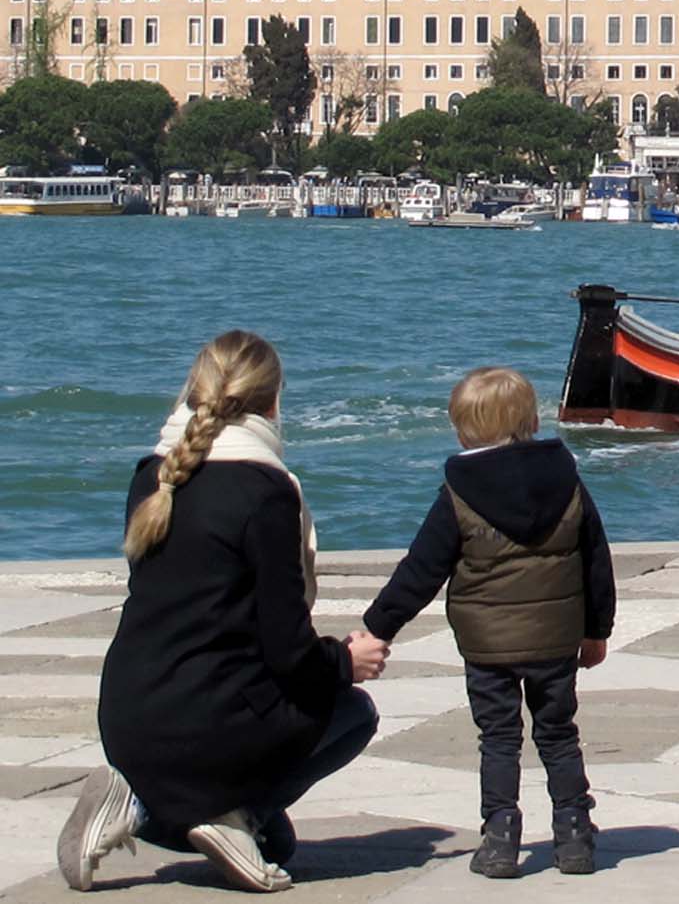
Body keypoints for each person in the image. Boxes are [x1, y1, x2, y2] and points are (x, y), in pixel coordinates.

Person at [58, 331, 387, 895]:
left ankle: (135, 799)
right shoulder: (266, 493)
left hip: (125, 715)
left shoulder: (152, 475)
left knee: (279, 845)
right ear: (274, 402)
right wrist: (344, 659)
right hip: (208, 727)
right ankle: (215, 813)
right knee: (354, 712)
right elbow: (286, 649)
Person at [362, 367, 616, 879]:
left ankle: (500, 836)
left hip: (486, 645)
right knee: (558, 734)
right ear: (530, 420)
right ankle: (573, 834)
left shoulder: (460, 490)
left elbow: (421, 570)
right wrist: (597, 630)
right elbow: (596, 558)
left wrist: (377, 627)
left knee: (499, 738)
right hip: (555, 638)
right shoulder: (565, 477)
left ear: (463, 430)